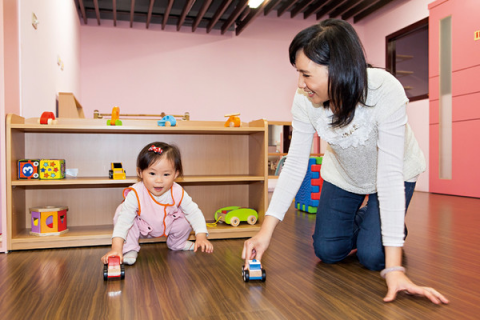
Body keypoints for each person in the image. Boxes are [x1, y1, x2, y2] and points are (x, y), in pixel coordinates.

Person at [242, 19, 449, 305]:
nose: (300, 84)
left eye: (306, 74)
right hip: (344, 176)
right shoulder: (305, 101)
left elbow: (389, 175)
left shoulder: (384, 91)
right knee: (327, 251)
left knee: (374, 257)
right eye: (297, 74)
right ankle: (375, 224)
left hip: (394, 174)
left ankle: (389, 227)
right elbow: (295, 164)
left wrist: (395, 268)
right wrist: (265, 232)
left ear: (337, 70)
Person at [102, 142, 213, 265]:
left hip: (167, 224)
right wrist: (116, 248)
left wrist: (201, 236)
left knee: (187, 216)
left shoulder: (177, 191)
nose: (159, 180)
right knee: (121, 212)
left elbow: (194, 212)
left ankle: (178, 243)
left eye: (166, 174)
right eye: (152, 173)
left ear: (175, 174)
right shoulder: (136, 193)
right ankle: (129, 249)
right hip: (141, 226)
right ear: (140, 173)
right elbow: (123, 222)